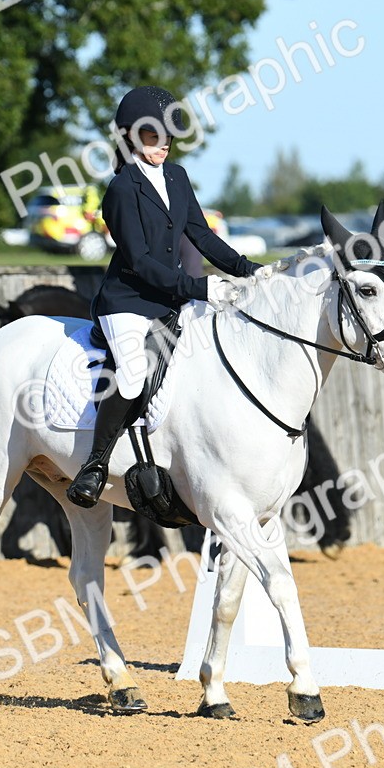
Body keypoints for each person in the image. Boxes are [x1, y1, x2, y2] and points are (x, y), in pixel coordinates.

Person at [66, 85, 263, 508]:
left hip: (172, 298)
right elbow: (141, 263)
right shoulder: (121, 190)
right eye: (155, 136)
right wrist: (201, 288)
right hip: (129, 301)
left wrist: (251, 271)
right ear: (132, 137)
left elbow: (202, 236)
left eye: (169, 136)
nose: (165, 144)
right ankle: (95, 466)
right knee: (135, 374)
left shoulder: (176, 177)